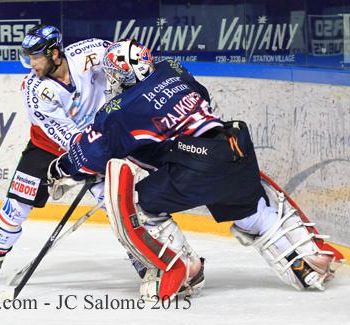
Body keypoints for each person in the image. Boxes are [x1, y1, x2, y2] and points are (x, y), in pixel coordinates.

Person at [48, 40, 344, 300]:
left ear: (123, 75)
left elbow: (92, 153)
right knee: (251, 212)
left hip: (193, 165)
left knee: (139, 207)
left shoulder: (119, 109)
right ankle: (304, 261)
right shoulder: (172, 69)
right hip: (232, 148)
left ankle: (185, 269)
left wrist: (61, 168)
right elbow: (193, 97)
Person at [0, 24, 111, 283]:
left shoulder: (88, 52)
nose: (31, 64)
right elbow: (60, 132)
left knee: (115, 203)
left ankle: (140, 257)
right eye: (28, 57)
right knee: (16, 205)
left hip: (98, 141)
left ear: (55, 54)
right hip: (47, 148)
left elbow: (123, 56)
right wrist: (89, 153)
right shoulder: (33, 88)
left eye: (36, 56)